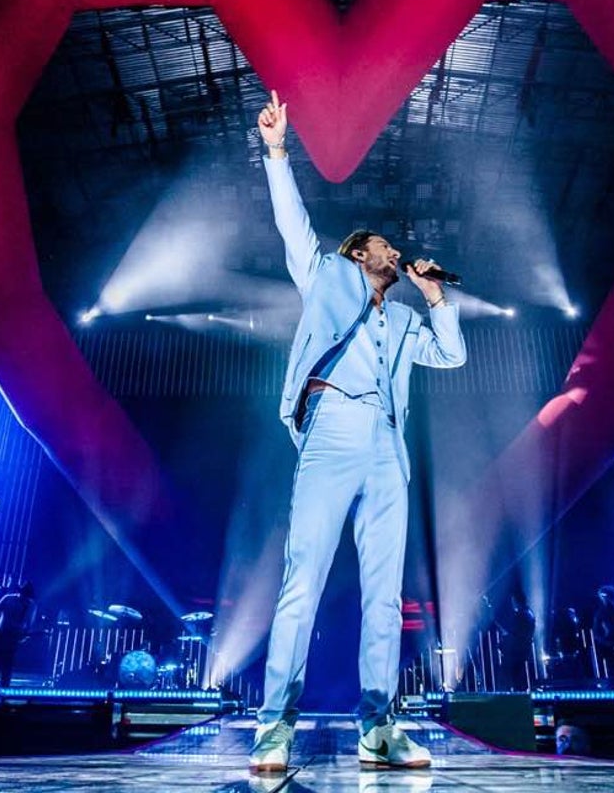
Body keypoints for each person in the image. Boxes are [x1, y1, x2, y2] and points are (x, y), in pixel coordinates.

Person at [250, 90, 466, 773]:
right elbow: (292, 225)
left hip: (386, 447)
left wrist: (435, 298)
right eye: (382, 245)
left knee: (385, 595)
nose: (393, 250)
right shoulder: (325, 277)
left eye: (393, 247)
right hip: (332, 428)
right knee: (302, 580)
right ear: (357, 252)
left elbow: (451, 354)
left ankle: (379, 727)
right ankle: (274, 728)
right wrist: (278, 152)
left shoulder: (403, 319)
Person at [0, 580, 37, 687]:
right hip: (5, 636)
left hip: (5, 636)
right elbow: (28, 626)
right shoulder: (25, 603)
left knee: (1, 668)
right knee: (2, 668)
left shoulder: (9, 598)